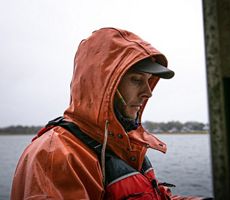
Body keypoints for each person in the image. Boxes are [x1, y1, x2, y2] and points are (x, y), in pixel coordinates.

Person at [11, 27, 211, 199]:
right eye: (136, 80)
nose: (148, 92)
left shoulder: (123, 144)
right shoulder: (55, 157)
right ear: (103, 85)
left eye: (149, 80)